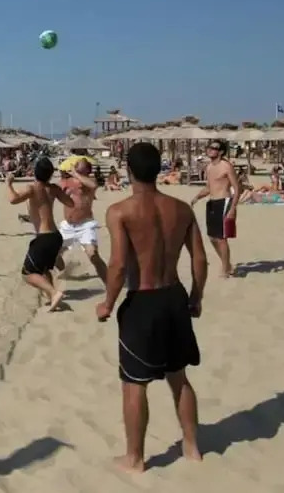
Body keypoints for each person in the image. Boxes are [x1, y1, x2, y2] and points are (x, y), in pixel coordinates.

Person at [96, 142, 208, 472]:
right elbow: (200, 259)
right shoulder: (182, 209)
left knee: (134, 384)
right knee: (179, 378)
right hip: (174, 297)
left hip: (143, 302)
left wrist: (107, 303)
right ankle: (192, 447)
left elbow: (118, 265)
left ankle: (134, 458)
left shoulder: (120, 211)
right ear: (158, 170)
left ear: (128, 170)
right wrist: (196, 296)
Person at [7, 157, 74, 312]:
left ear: (35, 172)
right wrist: (63, 192)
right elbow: (70, 203)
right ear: (50, 174)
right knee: (43, 270)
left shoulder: (32, 188)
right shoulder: (54, 189)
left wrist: (8, 184)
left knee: (27, 273)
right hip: (56, 236)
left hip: (44, 237)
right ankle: (51, 297)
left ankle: (54, 292)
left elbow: (12, 199)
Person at [191, 140, 240, 278]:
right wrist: (197, 197)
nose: (210, 150)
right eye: (209, 147)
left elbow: (237, 188)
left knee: (221, 238)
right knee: (212, 237)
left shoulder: (226, 166)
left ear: (221, 152)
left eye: (214, 148)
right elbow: (209, 187)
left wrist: (232, 208)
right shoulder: (209, 167)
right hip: (212, 203)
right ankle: (227, 264)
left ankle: (225, 269)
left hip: (224, 202)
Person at [56, 160, 108, 283]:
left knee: (93, 255)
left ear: (87, 169)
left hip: (85, 225)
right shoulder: (67, 181)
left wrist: (75, 174)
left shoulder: (90, 182)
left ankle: (108, 282)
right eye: (77, 163)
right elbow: (54, 190)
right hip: (68, 226)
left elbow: (93, 185)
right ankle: (65, 271)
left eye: (81, 163)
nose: (77, 163)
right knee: (53, 254)